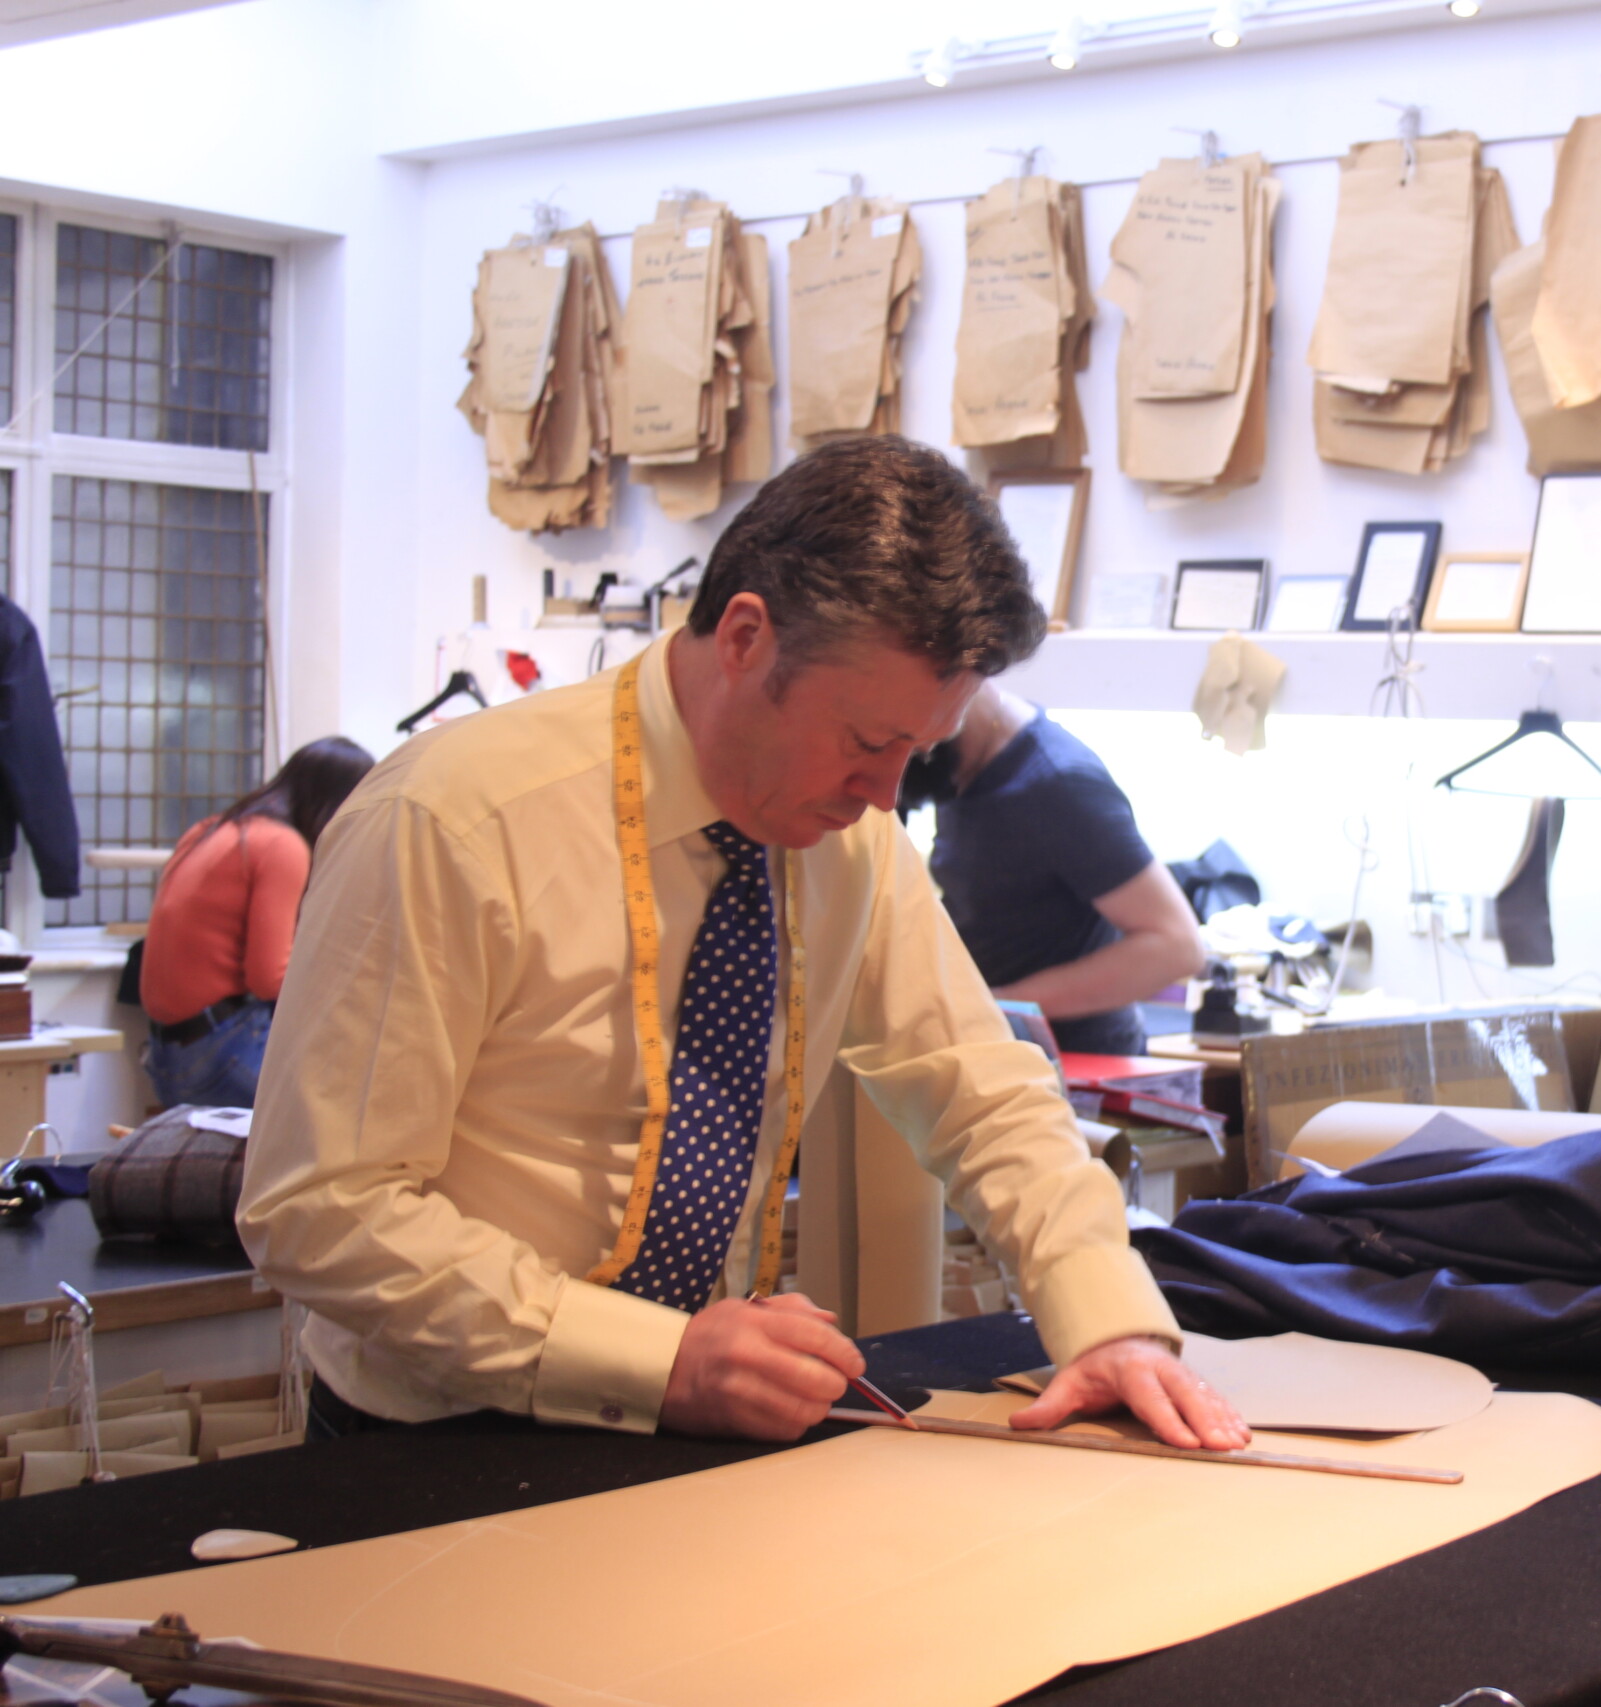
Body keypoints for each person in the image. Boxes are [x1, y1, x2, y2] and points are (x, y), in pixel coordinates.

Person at [238, 437, 1245, 1452]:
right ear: (745, 639)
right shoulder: (451, 820)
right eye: (866, 742)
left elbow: (981, 1087)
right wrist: (652, 1358)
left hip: (704, 1424)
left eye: (919, 751)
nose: (886, 795)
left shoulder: (852, 840)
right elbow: (321, 1207)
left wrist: (1106, 1318)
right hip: (438, 1443)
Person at [906, 683, 1206, 1057]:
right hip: (997, 1046)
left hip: (1076, 1062)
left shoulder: (1059, 784)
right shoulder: (960, 765)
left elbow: (1176, 946)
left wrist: (996, 1004)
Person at [138, 737, 375, 1108]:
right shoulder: (281, 846)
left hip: (167, 1052)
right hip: (219, 1051)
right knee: (360, 1099)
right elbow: (269, 978)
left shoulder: (211, 829)